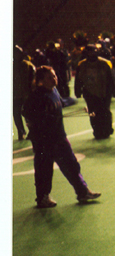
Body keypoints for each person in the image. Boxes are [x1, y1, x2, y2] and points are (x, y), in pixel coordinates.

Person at [23, 66, 101, 208]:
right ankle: (42, 198)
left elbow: (62, 102)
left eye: (54, 76)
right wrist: (42, 119)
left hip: (59, 137)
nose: (54, 79)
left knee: (72, 165)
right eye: (50, 77)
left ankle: (83, 192)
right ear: (41, 81)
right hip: (44, 141)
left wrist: (73, 100)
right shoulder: (36, 96)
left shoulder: (54, 91)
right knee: (44, 170)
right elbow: (27, 113)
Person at [74, 43, 115, 139]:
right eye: (89, 52)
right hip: (89, 92)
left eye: (93, 52)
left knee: (105, 112)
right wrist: (78, 91)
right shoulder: (82, 65)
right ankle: (97, 130)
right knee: (93, 113)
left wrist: (114, 90)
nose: (91, 54)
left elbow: (111, 78)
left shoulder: (105, 63)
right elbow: (78, 79)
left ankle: (107, 129)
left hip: (104, 91)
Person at [14, 45, 35, 141]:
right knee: (16, 114)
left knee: (28, 114)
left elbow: (34, 79)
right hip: (15, 95)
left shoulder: (28, 65)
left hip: (27, 94)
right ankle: (21, 131)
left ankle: (32, 131)